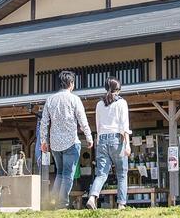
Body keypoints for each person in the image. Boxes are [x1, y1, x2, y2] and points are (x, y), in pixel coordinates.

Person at [40, 70, 93, 209]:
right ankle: (62, 204)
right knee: (68, 175)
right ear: (71, 83)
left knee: (60, 174)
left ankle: (52, 202)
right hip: (71, 141)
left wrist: (44, 141)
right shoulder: (74, 99)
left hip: (56, 143)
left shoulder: (50, 99)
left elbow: (44, 122)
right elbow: (82, 119)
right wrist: (89, 136)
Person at [87, 78, 131, 210]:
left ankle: (92, 197)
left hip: (101, 140)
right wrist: (127, 144)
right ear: (118, 89)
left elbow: (98, 125)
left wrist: (99, 140)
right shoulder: (122, 103)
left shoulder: (99, 104)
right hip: (117, 139)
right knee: (122, 174)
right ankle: (121, 204)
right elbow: (124, 125)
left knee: (101, 174)